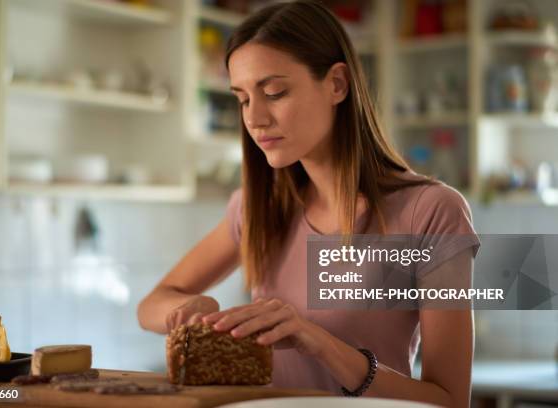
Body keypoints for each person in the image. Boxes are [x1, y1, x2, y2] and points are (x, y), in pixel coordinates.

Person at [137, 1, 480, 406]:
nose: (256, 118)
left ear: (337, 84)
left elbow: (450, 400)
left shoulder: (431, 212)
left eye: (274, 92)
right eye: (243, 99)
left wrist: (318, 342)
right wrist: (186, 309)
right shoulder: (256, 208)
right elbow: (152, 305)